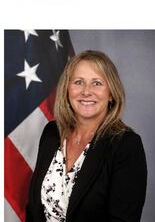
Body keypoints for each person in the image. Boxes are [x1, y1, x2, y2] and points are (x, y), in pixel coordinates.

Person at [26, 51, 147, 221]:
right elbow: (33, 209)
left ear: (111, 93)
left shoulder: (126, 145)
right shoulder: (52, 133)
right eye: (78, 82)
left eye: (97, 83)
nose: (86, 91)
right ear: (67, 90)